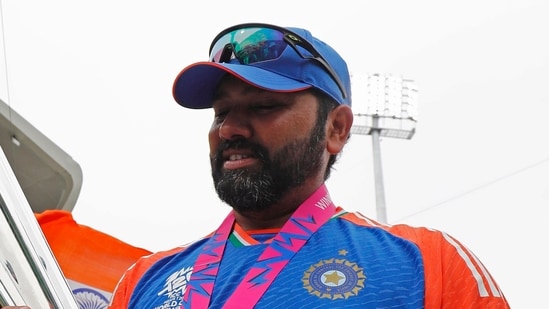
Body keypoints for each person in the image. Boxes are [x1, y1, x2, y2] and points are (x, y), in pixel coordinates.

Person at [1, 22, 510, 308]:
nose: (230, 129)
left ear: (336, 129)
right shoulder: (145, 282)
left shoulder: (426, 264)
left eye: (264, 107)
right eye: (222, 112)